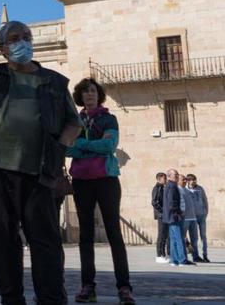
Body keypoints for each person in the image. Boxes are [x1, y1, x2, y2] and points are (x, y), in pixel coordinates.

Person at [0, 12, 81, 305]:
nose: (22, 42)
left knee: (45, 240)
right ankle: (11, 299)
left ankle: (51, 298)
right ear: (2, 48)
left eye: (26, 37)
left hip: (39, 171)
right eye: (14, 39)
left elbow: (73, 123)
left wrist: (58, 145)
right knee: (2, 239)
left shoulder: (53, 81)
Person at [67, 78, 134, 304]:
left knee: (114, 232)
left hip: (106, 180)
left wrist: (82, 146)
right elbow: (66, 148)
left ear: (99, 94)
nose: (89, 95)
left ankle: (124, 286)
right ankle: (87, 285)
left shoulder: (109, 118)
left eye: (93, 91)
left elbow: (109, 146)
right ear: (80, 96)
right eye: (85, 92)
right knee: (85, 235)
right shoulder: (74, 119)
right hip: (81, 181)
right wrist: (89, 146)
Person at [162, 169, 193, 267]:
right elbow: (172, 202)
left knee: (174, 239)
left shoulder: (170, 186)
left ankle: (174, 260)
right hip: (174, 216)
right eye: (175, 174)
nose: (177, 176)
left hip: (171, 216)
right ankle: (181, 260)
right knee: (179, 238)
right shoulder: (172, 187)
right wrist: (179, 213)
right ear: (169, 176)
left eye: (177, 174)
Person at [180, 174, 208, 262]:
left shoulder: (200, 188)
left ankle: (203, 255)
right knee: (186, 236)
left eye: (194, 180)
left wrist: (206, 212)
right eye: (191, 180)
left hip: (200, 216)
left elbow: (205, 200)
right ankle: (188, 253)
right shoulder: (184, 190)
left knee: (201, 236)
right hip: (189, 217)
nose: (193, 181)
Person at [151, 172, 168, 264]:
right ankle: (159, 255)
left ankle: (163, 254)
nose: (165, 180)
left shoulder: (163, 188)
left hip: (164, 215)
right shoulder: (157, 188)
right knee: (161, 235)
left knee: (165, 235)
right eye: (164, 178)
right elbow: (154, 202)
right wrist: (162, 211)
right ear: (159, 179)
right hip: (161, 215)